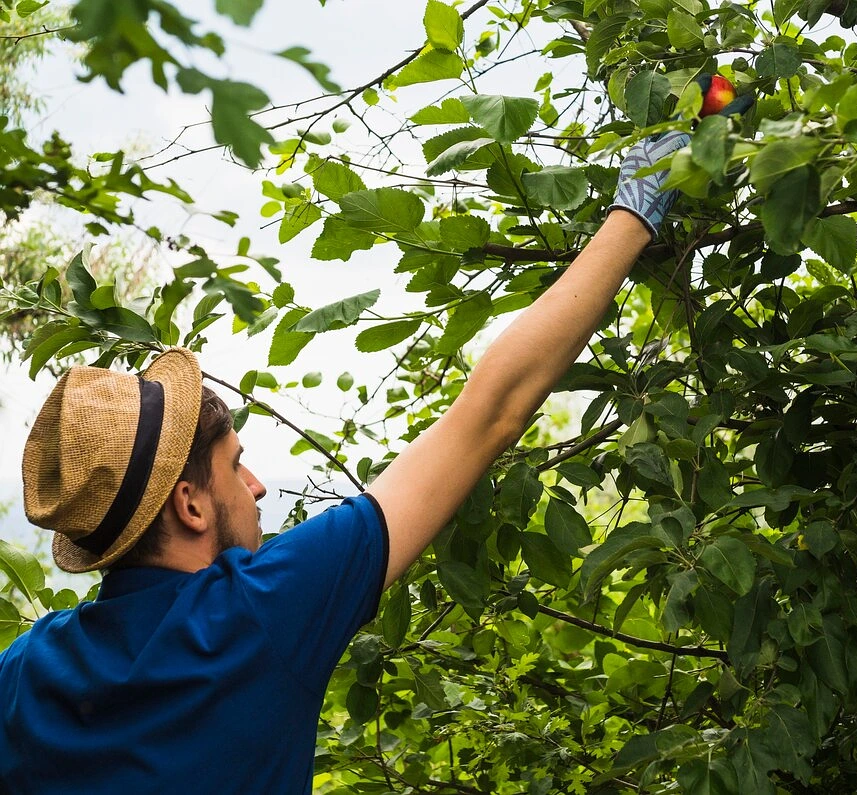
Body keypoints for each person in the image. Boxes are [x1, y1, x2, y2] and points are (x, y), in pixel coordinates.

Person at [0, 131, 689, 793]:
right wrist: (636, 211)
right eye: (235, 466)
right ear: (190, 503)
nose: (257, 484)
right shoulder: (257, 613)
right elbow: (491, 412)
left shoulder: (25, 671)